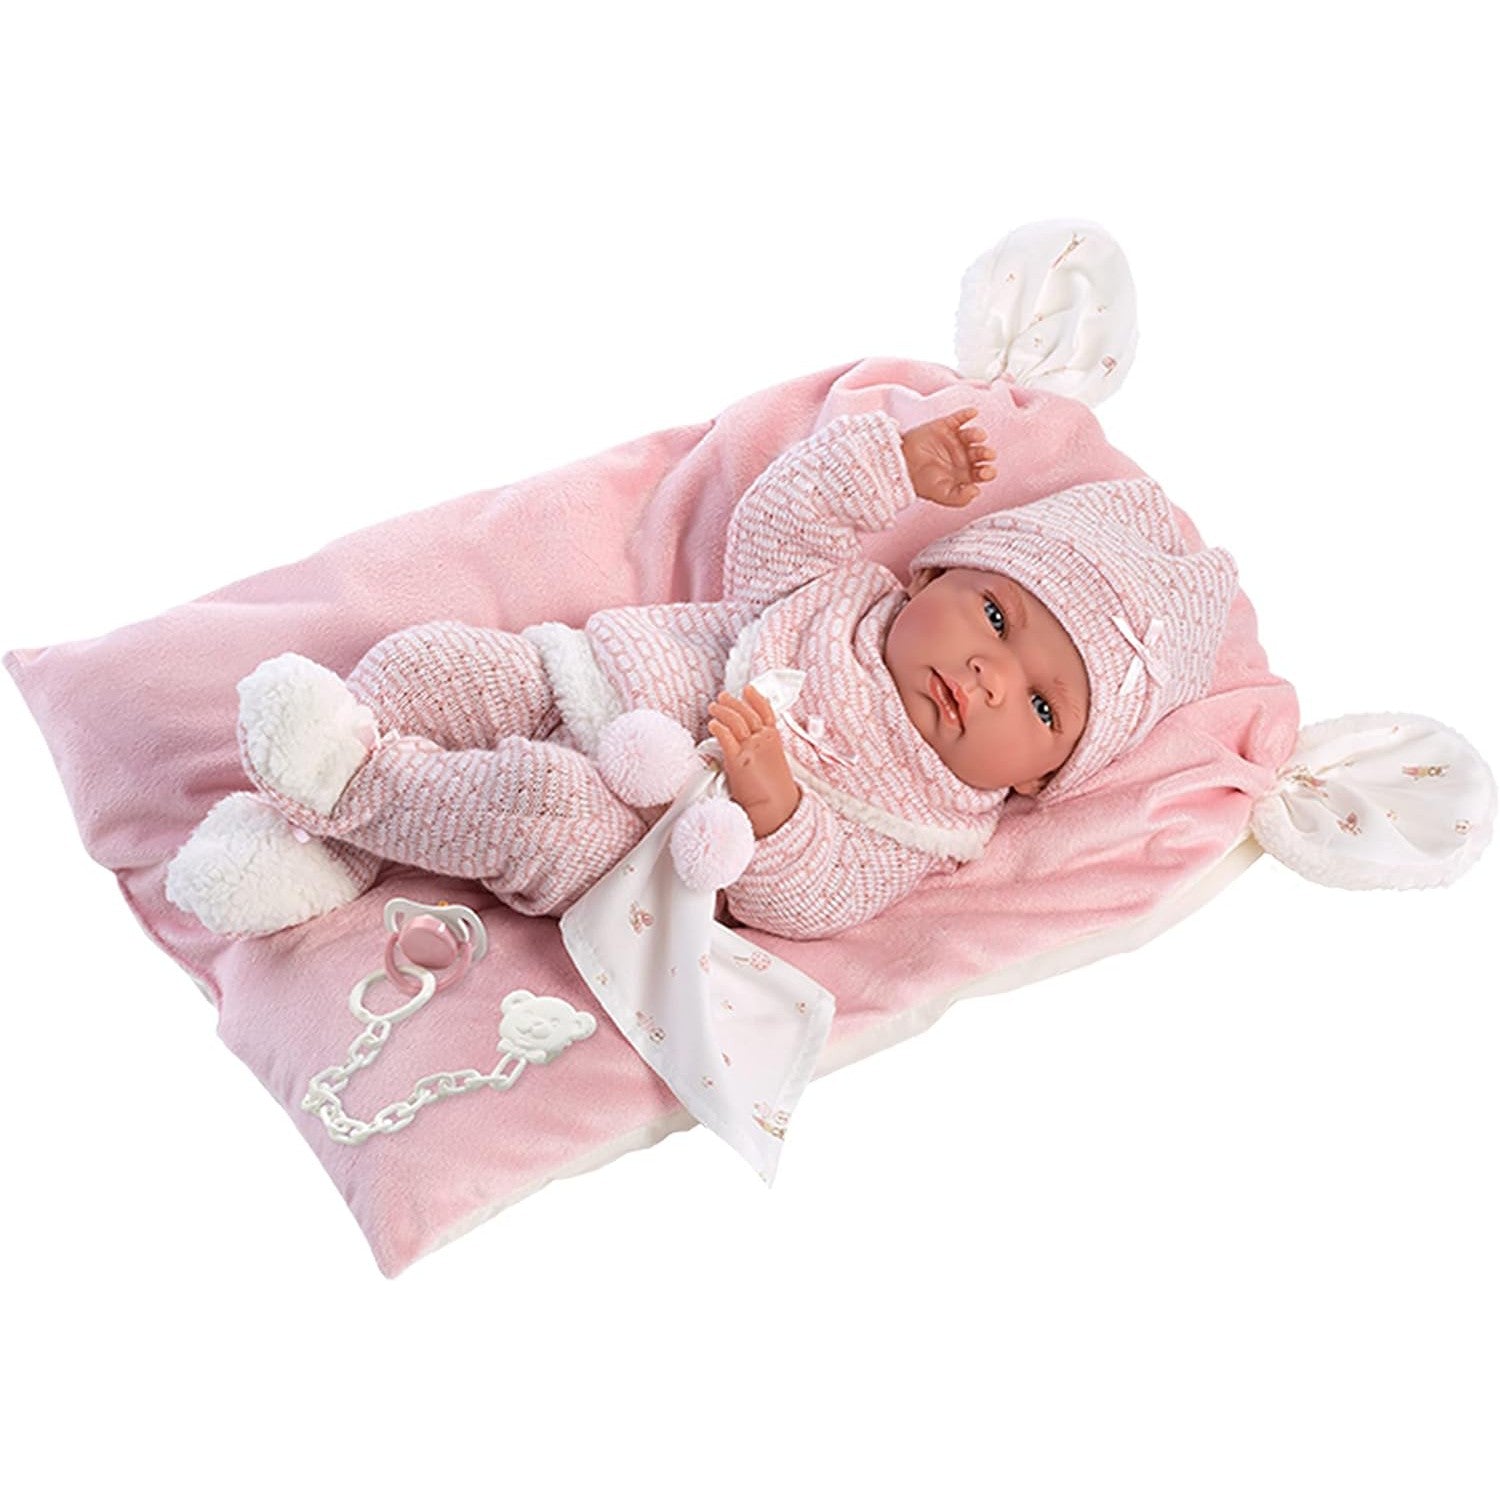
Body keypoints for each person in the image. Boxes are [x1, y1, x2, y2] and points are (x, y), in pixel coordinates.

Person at [166, 408, 1239, 939]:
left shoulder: (931, 816)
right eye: (996, 617)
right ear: (930, 573)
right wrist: (892, 464)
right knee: (434, 661)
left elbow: (820, 902)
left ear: (1040, 779)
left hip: (627, 842)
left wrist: (778, 813)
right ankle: (332, 831)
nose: (991, 676)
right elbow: (780, 516)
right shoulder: (833, 596)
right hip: (576, 678)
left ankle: (347, 790)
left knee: (539, 808)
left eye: (1043, 704)